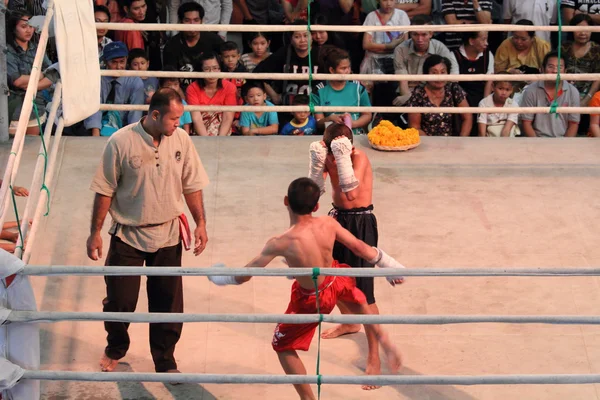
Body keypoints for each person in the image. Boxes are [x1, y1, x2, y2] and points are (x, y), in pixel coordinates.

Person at [208, 177, 404, 399]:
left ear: (285, 201)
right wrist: (389, 265)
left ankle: (308, 398)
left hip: (313, 298)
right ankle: (384, 341)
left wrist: (221, 277)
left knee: (281, 345)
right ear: (317, 206)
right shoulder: (328, 224)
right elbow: (360, 248)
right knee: (358, 296)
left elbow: (245, 275)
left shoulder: (281, 242)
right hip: (335, 279)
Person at [86, 88, 210, 374]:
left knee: (168, 302)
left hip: (168, 233)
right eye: (174, 118)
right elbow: (105, 190)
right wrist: (95, 232)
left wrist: (200, 222)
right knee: (120, 300)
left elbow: (192, 184)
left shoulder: (181, 139)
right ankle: (115, 348)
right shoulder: (120, 142)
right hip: (127, 233)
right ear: (155, 114)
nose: (179, 123)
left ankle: (165, 360)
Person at [307, 124, 397, 390]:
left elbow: (351, 192)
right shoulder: (328, 156)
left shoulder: (359, 158)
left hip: (361, 224)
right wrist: (318, 163)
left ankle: (373, 357)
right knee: (332, 279)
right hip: (337, 220)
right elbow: (315, 190)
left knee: (364, 293)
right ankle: (349, 323)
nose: (334, 160)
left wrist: (341, 157)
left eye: (337, 153)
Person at [393, 14, 458, 107]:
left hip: (435, 91)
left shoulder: (440, 48)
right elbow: (403, 81)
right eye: (415, 34)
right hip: (409, 93)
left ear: (431, 34)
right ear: (410, 33)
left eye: (424, 34)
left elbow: (453, 76)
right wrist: (410, 98)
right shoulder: (400, 50)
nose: (420, 39)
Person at [6, 9, 53, 136]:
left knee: (32, 148)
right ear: (13, 28)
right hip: (14, 108)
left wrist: (31, 86)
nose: (29, 30)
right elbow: (17, 81)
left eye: (31, 26)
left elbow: (52, 75)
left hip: (36, 105)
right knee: (11, 149)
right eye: (23, 26)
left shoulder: (37, 48)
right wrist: (41, 75)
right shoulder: (7, 50)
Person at [84, 41, 145, 136]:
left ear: (126, 59)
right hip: (98, 128)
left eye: (122, 62)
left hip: (125, 130)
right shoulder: (97, 79)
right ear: (105, 61)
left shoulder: (135, 81)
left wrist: (132, 137)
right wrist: (95, 137)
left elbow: (135, 113)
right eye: (114, 62)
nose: (118, 67)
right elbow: (94, 109)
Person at [163, 2, 223, 90]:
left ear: (202, 21)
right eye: (187, 20)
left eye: (196, 20)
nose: (192, 24)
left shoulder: (214, 41)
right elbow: (170, 81)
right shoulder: (171, 45)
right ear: (180, 22)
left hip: (209, 93)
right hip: (182, 94)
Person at [407, 55, 472, 136]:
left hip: (454, 143)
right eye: (434, 72)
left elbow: (467, 117)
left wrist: (461, 141)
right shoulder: (418, 94)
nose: (439, 76)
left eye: (443, 72)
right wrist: (433, 146)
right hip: (427, 144)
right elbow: (415, 127)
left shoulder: (454, 89)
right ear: (426, 74)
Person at [312, 47, 372, 134]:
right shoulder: (318, 91)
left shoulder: (358, 88)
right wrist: (330, 119)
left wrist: (352, 124)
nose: (348, 71)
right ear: (332, 70)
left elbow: (367, 115)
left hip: (356, 135)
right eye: (343, 68)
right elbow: (318, 122)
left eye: (349, 67)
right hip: (331, 137)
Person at [521, 51, 581, 137]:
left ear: (565, 71)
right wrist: (536, 145)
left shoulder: (573, 92)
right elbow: (526, 123)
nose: (555, 71)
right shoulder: (531, 90)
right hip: (536, 141)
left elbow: (574, 124)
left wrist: (565, 146)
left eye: (559, 67)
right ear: (542, 69)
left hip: (563, 142)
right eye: (550, 67)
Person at [186, 52, 237, 136]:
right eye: (206, 69)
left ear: (220, 69)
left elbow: (228, 117)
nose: (211, 72)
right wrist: (207, 141)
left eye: (215, 68)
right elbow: (196, 118)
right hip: (200, 130)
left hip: (222, 130)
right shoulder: (192, 88)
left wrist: (220, 140)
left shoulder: (230, 87)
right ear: (200, 70)